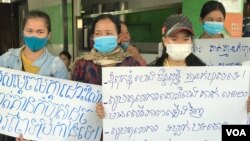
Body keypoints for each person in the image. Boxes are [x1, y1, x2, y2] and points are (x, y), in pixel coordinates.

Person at [0, 10, 68, 141]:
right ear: (23, 32)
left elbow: (61, 106)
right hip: (8, 128)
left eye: (40, 32)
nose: (34, 36)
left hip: (42, 133)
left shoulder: (57, 66)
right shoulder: (7, 59)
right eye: (29, 31)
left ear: (49, 35)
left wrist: (33, 132)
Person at [71, 14, 141, 141]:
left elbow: (139, 100)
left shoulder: (131, 63)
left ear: (119, 37)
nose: (103, 37)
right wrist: (93, 108)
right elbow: (74, 101)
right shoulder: (82, 64)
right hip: (89, 132)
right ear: (93, 37)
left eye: (108, 33)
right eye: (98, 33)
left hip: (123, 132)